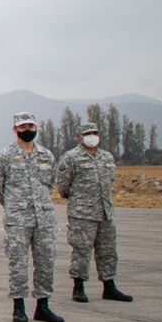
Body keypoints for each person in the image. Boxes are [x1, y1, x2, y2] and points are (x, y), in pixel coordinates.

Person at [0, 112, 64, 322]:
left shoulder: (46, 155)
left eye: (30, 126)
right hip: (18, 219)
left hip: (44, 218)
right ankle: (19, 307)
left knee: (46, 262)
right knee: (18, 263)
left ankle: (43, 306)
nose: (27, 130)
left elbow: (51, 183)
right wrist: (12, 204)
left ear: (36, 128)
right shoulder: (4, 156)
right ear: (15, 130)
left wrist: (39, 203)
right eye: (22, 127)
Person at [57, 121, 132, 304]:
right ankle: (79, 287)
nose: (92, 136)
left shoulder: (106, 157)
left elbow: (110, 181)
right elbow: (63, 186)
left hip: (105, 212)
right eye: (88, 133)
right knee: (81, 251)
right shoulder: (70, 158)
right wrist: (78, 201)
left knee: (108, 251)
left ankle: (109, 286)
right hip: (82, 214)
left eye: (95, 132)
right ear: (79, 137)